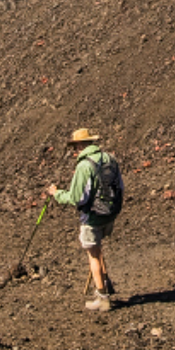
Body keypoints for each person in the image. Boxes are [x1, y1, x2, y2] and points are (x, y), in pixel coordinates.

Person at [47, 128, 123, 312]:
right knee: (98, 249)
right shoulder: (110, 159)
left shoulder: (84, 166)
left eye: (75, 147)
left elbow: (76, 198)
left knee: (93, 255)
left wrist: (57, 194)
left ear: (80, 145)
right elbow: (120, 186)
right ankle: (105, 283)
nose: (75, 151)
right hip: (110, 213)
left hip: (93, 216)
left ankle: (102, 298)